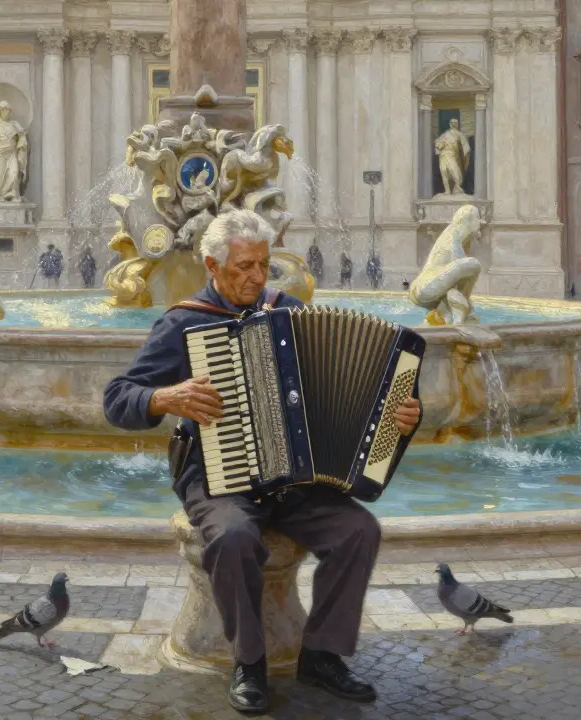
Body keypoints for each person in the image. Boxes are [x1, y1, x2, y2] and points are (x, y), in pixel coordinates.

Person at [103, 209, 422, 714]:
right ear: (212, 265)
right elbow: (117, 399)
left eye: (262, 265)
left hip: (296, 481)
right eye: (243, 267)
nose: (255, 277)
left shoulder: (288, 310)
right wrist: (166, 397)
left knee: (359, 530)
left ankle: (321, 654)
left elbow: (349, 393)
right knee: (232, 538)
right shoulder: (184, 323)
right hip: (217, 477)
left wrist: (400, 416)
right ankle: (248, 662)